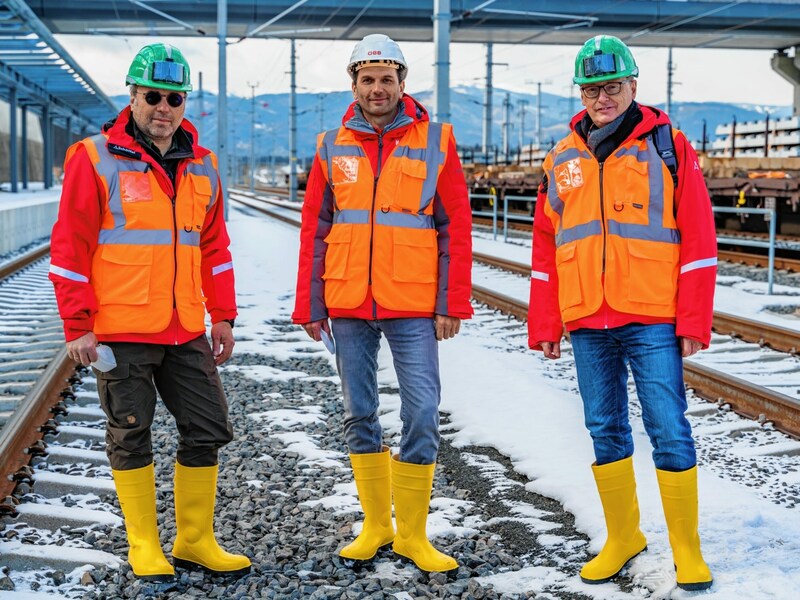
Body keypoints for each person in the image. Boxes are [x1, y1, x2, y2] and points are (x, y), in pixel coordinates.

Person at [48, 43, 250, 582]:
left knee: (207, 428)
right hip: (120, 328)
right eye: (154, 96)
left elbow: (215, 248)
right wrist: (78, 326)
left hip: (185, 328)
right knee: (131, 431)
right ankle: (144, 545)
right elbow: (69, 249)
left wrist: (223, 315)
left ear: (186, 104)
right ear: (133, 96)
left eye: (175, 98)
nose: (164, 107)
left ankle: (194, 540)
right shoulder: (93, 158)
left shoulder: (203, 165)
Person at [527, 35, 717, 591]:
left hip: (651, 315)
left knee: (668, 428)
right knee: (604, 429)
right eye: (592, 88)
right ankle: (624, 537)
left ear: (633, 85)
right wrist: (546, 321)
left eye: (612, 86)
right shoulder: (561, 157)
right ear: (581, 93)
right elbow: (546, 247)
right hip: (588, 318)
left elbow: (699, 237)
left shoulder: (668, 145)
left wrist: (693, 319)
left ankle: (687, 549)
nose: (602, 97)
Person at [292, 33, 473, 574]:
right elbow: (315, 228)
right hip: (347, 299)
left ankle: (414, 534)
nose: (377, 89)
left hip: (413, 301)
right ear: (354, 84)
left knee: (421, 410)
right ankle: (376, 525)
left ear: (402, 83)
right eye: (367, 80)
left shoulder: (436, 140)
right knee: (358, 413)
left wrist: (451, 303)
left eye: (386, 79)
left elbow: (454, 226)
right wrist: (311, 304)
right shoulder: (331, 145)